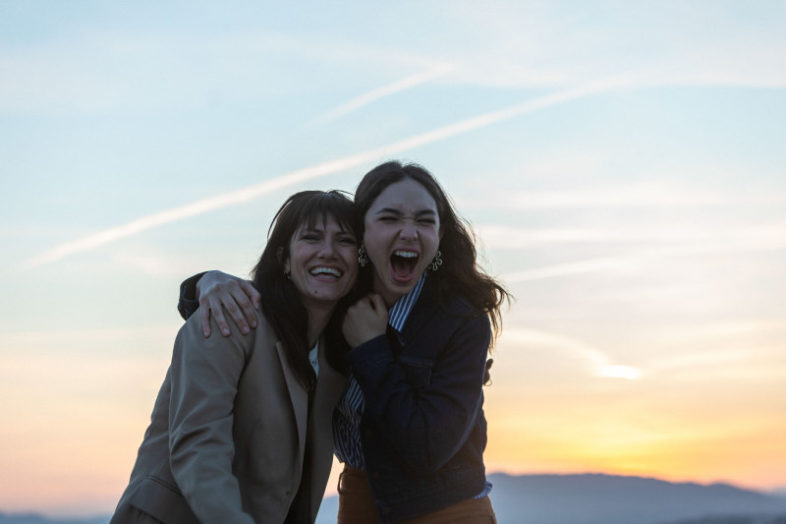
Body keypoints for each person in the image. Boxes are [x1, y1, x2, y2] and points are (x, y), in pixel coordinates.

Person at [183, 161, 508, 523]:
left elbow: (428, 449)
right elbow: (274, 306)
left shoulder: (460, 320)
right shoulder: (337, 301)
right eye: (389, 218)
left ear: (439, 236)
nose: (409, 232)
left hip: (445, 507)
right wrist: (205, 282)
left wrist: (372, 349)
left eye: (424, 221)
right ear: (363, 234)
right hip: (358, 498)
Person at [111, 190, 359, 524]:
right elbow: (199, 450)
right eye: (311, 238)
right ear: (284, 259)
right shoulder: (229, 317)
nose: (328, 252)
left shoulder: (335, 363)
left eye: (344, 241)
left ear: (360, 260)